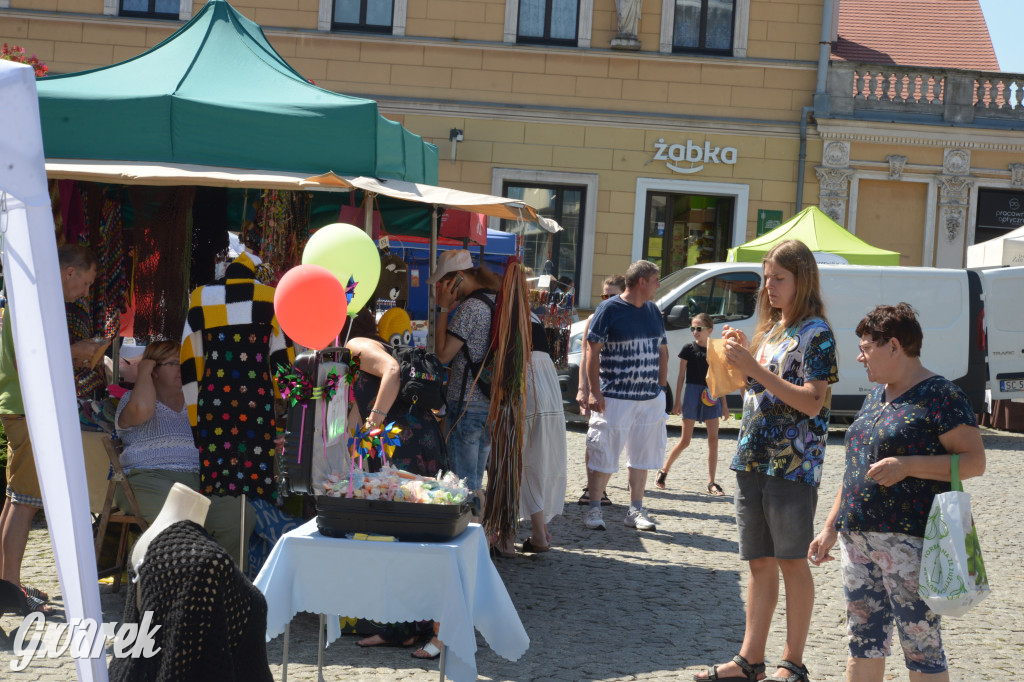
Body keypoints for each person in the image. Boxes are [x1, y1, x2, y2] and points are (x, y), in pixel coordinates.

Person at [808, 303, 985, 682]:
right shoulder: (876, 396)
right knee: (863, 642)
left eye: (866, 347)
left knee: (921, 646)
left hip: (909, 543)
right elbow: (856, 469)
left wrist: (908, 465)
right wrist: (830, 527)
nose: (860, 356)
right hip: (857, 541)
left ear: (893, 345)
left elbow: (973, 462)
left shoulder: (940, 395)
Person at [695, 239, 838, 682]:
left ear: (802, 280)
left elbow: (813, 402)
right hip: (754, 457)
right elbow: (756, 395)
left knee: (791, 560)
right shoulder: (774, 330)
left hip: (792, 463)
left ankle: (792, 664)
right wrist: (739, 360)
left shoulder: (818, 333)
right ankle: (749, 660)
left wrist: (755, 369)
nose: (769, 287)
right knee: (758, 561)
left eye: (779, 278)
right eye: (767, 278)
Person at [0, 244, 103, 614]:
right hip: (30, 408)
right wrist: (78, 351)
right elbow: (37, 354)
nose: (86, 293)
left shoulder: (31, 295)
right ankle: (9, 592)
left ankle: (7, 585)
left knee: (16, 500)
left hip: (21, 406)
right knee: (25, 504)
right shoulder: (37, 299)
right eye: (87, 283)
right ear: (69, 272)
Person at [343, 309, 449, 654]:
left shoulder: (356, 343)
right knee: (408, 534)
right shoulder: (350, 351)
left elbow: (393, 372)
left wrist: (374, 422)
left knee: (412, 533)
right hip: (409, 438)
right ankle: (406, 627)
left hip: (405, 441)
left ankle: (425, 627)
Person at [114, 340, 256, 567]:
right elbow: (142, 409)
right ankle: (180, 588)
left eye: (185, 363)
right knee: (182, 516)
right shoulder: (129, 401)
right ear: (154, 369)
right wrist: (143, 371)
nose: (181, 369)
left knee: (238, 514)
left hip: (197, 481)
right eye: (172, 363)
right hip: (146, 480)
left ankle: (228, 588)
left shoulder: (196, 403)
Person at [581, 260, 667, 532]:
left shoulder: (653, 310)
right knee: (604, 450)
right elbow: (592, 351)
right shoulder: (609, 309)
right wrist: (593, 390)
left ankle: (635, 510)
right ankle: (594, 509)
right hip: (615, 396)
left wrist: (660, 387)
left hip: (648, 397)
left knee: (642, 456)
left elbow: (662, 349)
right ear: (642, 281)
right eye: (655, 280)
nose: (658, 285)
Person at [430, 249, 502, 520]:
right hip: (485, 404)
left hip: (466, 406)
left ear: (456, 279)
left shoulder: (470, 308)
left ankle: (470, 540)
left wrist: (444, 308)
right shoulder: (493, 300)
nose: (441, 288)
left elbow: (443, 353)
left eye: (443, 282)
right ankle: (479, 536)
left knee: (462, 484)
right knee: (474, 483)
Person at [656, 313, 728, 495]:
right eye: (693, 328)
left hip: (712, 394)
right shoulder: (688, 348)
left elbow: (720, 379)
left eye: (699, 328)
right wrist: (678, 401)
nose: (695, 332)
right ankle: (663, 471)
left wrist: (725, 406)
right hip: (692, 393)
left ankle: (712, 482)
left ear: (710, 330)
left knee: (713, 439)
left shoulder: (716, 350)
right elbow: (681, 376)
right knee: (685, 440)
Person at [519, 312, 568, 553]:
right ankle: (539, 531)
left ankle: (538, 533)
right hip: (545, 380)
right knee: (540, 457)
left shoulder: (512, 311)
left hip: (529, 379)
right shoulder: (533, 316)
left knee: (526, 459)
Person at [575, 274, 625, 506]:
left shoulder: (629, 316)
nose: (606, 299)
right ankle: (591, 487)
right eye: (604, 295)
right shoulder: (595, 317)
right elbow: (586, 354)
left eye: (612, 295)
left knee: (613, 440)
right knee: (594, 439)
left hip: (620, 390)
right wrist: (583, 388)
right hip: (600, 385)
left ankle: (601, 488)